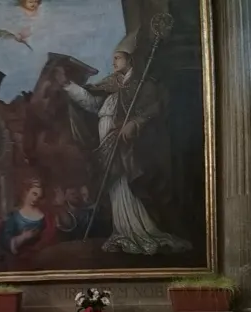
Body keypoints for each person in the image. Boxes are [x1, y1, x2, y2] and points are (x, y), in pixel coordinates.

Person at [54, 31, 190, 255]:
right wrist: (68, 85)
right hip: (108, 142)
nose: (114, 62)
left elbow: (155, 107)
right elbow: (91, 103)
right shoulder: (112, 85)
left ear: (131, 59)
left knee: (127, 185)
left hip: (128, 147)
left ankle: (139, 230)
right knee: (116, 188)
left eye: (118, 57)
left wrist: (135, 123)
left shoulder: (142, 86)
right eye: (114, 58)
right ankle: (123, 231)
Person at [0, 178, 57, 258]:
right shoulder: (13, 217)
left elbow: (50, 238)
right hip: (19, 258)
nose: (35, 199)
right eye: (34, 194)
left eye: (39, 197)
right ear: (26, 192)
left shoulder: (45, 217)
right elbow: (5, 241)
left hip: (41, 257)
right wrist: (23, 237)